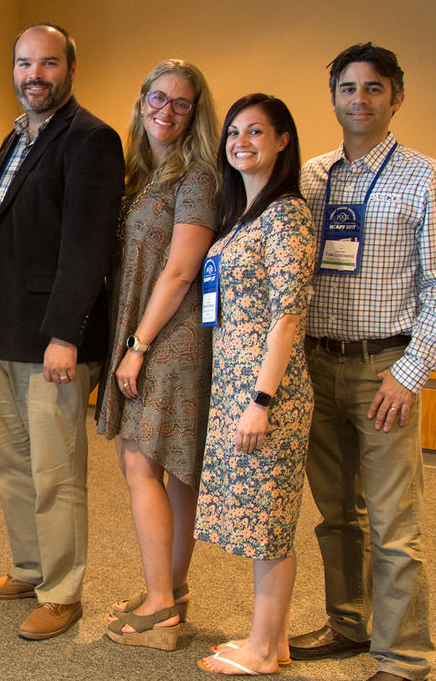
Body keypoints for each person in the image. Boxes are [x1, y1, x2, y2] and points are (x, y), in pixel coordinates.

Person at [288, 43, 436, 681]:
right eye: (348, 88)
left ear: (396, 97)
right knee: (337, 513)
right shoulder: (310, 176)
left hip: (385, 368)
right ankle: (348, 623)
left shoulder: (427, 177)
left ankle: (405, 656)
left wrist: (410, 372)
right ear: (332, 95)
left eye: (373, 88)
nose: (359, 100)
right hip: (315, 366)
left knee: (395, 524)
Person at [0, 23, 124, 640]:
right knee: (13, 464)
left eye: (49, 63)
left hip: (51, 340)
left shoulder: (90, 139)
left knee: (55, 473)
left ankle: (62, 591)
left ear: (71, 70)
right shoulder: (17, 136)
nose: (35, 74)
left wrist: (66, 333)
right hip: (5, 331)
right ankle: (30, 567)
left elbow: (86, 248)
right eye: (25, 63)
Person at [96, 59, 220, 651]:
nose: (166, 110)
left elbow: (179, 270)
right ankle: (170, 588)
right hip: (151, 330)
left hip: (171, 335)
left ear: (196, 113)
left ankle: (161, 607)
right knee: (170, 467)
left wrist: (137, 347)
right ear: (141, 97)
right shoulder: (139, 171)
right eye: (158, 97)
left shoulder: (194, 177)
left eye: (181, 102)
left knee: (142, 462)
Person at [193, 94, 316, 676]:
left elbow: (287, 315)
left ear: (283, 140)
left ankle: (263, 651)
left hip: (270, 393)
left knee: (267, 523)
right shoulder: (243, 215)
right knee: (258, 520)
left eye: (257, 132)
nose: (241, 142)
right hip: (234, 387)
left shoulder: (286, 214)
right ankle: (274, 639)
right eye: (234, 132)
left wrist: (261, 400)